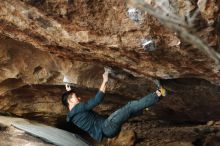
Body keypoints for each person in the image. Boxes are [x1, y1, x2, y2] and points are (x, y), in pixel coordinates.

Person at [61, 69, 166, 143]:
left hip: (108, 133)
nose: (79, 98)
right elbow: (98, 99)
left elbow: (70, 101)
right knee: (128, 107)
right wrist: (105, 80)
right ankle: (158, 93)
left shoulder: (72, 116)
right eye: (76, 97)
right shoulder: (78, 108)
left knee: (127, 113)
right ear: (70, 100)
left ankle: (145, 108)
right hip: (107, 126)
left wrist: (69, 91)